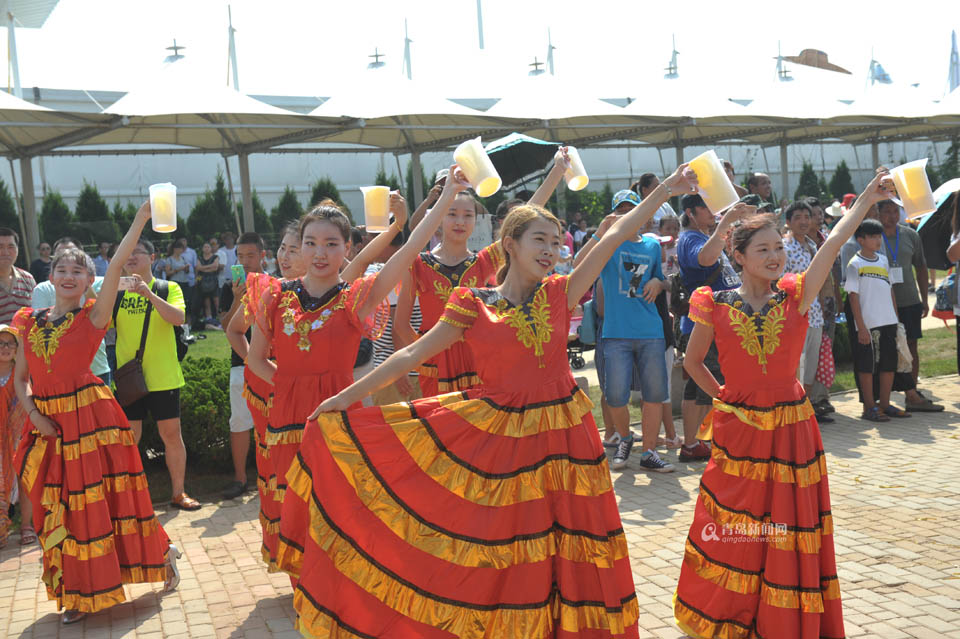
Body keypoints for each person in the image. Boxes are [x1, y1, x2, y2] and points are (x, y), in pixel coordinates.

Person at [287, 164, 701, 639]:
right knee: (510, 545)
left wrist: (667, 189)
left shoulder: (561, 291)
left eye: (555, 243)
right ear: (511, 244)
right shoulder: (472, 302)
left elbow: (618, 232)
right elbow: (412, 352)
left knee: (572, 538)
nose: (550, 252)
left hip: (569, 440)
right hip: (505, 442)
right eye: (539, 241)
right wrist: (345, 398)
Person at [673, 170, 893, 639]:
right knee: (739, 524)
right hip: (740, 427)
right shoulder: (713, 302)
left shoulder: (796, 296)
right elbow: (692, 363)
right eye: (763, 249)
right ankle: (737, 611)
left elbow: (832, 239)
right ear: (739, 256)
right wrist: (725, 403)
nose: (775, 256)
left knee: (787, 523)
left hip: (792, 424)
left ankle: (782, 617)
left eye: (778, 248)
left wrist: (867, 201)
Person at [12, 203, 180, 624]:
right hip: (48, 425)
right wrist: (32, 414)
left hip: (91, 422)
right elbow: (19, 379)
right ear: (51, 277)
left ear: (91, 280)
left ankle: (92, 589)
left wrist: (142, 219)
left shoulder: (95, 314)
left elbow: (120, 258)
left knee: (101, 504)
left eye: (79, 271)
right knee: (59, 506)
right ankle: (78, 583)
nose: (69, 276)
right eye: (62, 270)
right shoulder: (27, 322)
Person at [244, 186, 421, 576]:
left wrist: (409, 221)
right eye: (310, 243)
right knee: (295, 502)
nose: (319, 253)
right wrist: (289, 385)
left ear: (347, 249)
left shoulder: (356, 297)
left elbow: (408, 254)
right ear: (299, 248)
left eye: (330, 244)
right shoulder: (274, 295)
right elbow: (255, 358)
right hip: (289, 417)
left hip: (341, 414)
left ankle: (342, 588)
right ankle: (306, 588)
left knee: (342, 501)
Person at [574, 192, 675, 473]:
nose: (628, 216)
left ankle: (650, 452)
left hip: (650, 332)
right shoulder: (608, 246)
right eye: (622, 211)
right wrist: (601, 233)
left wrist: (657, 281)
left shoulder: (653, 245)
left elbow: (665, 280)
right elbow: (578, 264)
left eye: (634, 210)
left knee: (654, 394)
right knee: (615, 396)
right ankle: (626, 439)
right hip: (615, 333)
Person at [226, 221, 305, 572]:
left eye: (295, 249)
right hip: (271, 396)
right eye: (283, 249)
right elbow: (233, 330)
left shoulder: (332, 291)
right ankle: (291, 559)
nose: (286, 256)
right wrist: (263, 368)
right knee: (279, 477)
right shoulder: (267, 289)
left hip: (310, 395)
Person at [395, 190, 505, 397]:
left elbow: (519, 225)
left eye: (468, 215)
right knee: (439, 425)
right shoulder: (417, 263)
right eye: (452, 213)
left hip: (477, 362)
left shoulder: (482, 263)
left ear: (476, 220)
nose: (460, 222)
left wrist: (557, 171)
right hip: (435, 366)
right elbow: (401, 324)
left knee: (477, 426)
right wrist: (424, 356)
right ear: (438, 217)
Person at [117, 238, 199, 510]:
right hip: (129, 378)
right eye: (127, 253)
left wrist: (149, 294)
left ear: (152, 257)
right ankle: (130, 500)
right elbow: (98, 321)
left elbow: (178, 318)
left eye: (137, 253)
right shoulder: (116, 292)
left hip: (164, 376)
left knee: (172, 436)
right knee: (130, 438)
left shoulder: (168, 287)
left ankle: (178, 493)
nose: (131, 257)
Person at [676, 194, 744, 463]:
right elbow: (704, 260)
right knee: (709, 384)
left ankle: (695, 442)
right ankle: (702, 442)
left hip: (716, 324)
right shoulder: (690, 239)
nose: (712, 211)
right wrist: (726, 222)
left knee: (702, 386)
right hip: (705, 325)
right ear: (691, 212)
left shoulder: (705, 236)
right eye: (706, 206)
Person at [220, 232, 266, 500]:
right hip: (241, 363)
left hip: (273, 364)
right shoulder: (229, 287)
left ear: (263, 255)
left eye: (250, 255)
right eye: (240, 256)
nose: (245, 260)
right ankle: (240, 479)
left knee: (272, 423)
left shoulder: (276, 283)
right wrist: (239, 297)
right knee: (239, 422)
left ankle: (270, 474)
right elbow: (227, 328)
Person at [31, 238, 113, 387]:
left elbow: (101, 317)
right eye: (60, 256)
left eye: (73, 254)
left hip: (96, 368)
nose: (68, 260)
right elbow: (40, 332)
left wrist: (86, 285)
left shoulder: (99, 283)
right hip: (56, 372)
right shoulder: (42, 289)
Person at [846, 219, 905, 421]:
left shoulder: (883, 260)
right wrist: (861, 327)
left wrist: (895, 319)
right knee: (867, 366)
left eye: (879, 236)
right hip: (868, 325)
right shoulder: (855, 264)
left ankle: (885, 404)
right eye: (872, 236)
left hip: (888, 321)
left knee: (888, 364)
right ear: (861, 240)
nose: (877, 240)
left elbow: (890, 291)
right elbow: (853, 297)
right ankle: (869, 407)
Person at [877, 199, 933, 401]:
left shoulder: (910, 235)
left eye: (895, 211)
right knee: (886, 349)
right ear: (878, 213)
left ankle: (912, 390)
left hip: (909, 301)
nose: (891, 216)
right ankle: (885, 394)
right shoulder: (873, 237)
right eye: (886, 212)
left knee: (911, 346)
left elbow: (921, 267)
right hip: (882, 303)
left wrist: (925, 298)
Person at [782, 201, 828, 418]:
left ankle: (806, 410)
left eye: (806, 216)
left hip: (815, 314)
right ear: (788, 222)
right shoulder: (783, 247)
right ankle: (794, 411)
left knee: (811, 364)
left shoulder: (812, 244)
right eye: (797, 217)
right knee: (796, 364)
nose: (803, 221)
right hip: (795, 315)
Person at [0, 323, 26, 548]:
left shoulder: (22, 375)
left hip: (18, 440)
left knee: (24, 480)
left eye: (10, 343)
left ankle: (26, 525)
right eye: (0, 343)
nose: (5, 347)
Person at [0, 228, 36, 324]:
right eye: (0, 247)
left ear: (17, 250)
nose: (5, 252)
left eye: (11, 247)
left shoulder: (28, 279)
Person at [164, 239, 192, 326]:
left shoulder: (183, 258)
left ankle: (188, 325)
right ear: (175, 249)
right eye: (179, 248)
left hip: (184, 282)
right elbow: (168, 272)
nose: (181, 250)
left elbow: (186, 271)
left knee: (187, 303)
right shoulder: (170, 259)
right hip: (175, 283)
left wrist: (186, 268)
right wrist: (180, 269)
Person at [196, 242, 221, 328]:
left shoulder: (215, 257)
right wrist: (209, 268)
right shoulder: (199, 258)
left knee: (216, 301)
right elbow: (198, 267)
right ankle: (209, 319)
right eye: (205, 247)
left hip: (213, 281)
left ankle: (221, 319)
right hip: (203, 282)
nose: (206, 249)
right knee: (206, 302)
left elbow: (215, 267)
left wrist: (204, 268)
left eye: (208, 247)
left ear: (211, 248)